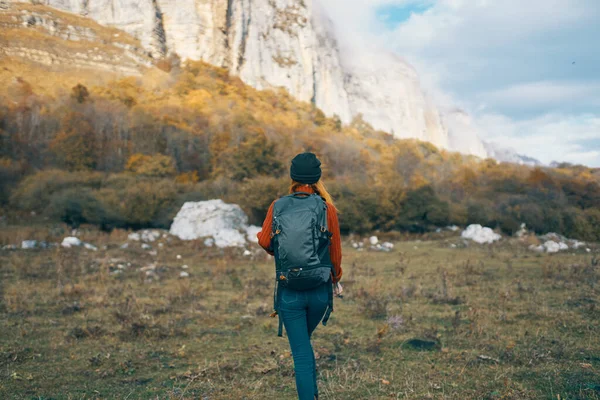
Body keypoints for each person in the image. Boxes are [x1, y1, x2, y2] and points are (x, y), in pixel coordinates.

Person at [257, 152, 343, 400]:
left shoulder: (278, 206)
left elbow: (265, 241)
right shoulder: (327, 209)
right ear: (317, 177)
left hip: (290, 291)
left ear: (292, 176)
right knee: (303, 346)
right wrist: (336, 279)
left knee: (302, 354)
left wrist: (283, 250)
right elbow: (335, 254)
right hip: (319, 292)